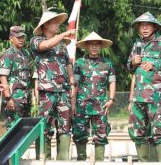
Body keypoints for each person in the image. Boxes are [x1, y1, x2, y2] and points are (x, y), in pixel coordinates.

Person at [127, 12, 161, 162]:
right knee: (137, 132)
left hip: (157, 97)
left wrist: (154, 64)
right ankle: (145, 162)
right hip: (138, 96)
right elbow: (130, 69)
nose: (144, 28)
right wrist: (132, 62)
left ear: (154, 26)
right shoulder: (137, 44)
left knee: (160, 131)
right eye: (141, 25)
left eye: (147, 25)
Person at [30, 10, 76, 160]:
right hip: (47, 91)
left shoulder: (62, 46)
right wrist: (63, 35)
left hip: (63, 91)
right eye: (55, 22)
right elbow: (45, 46)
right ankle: (43, 159)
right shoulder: (36, 40)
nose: (58, 25)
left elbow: (68, 64)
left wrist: (72, 82)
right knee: (44, 127)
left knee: (65, 126)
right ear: (46, 25)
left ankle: (64, 160)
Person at [72, 32, 116, 161]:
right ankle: (81, 161)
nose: (94, 47)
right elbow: (74, 84)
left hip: (100, 105)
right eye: (91, 44)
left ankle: (100, 161)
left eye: (97, 45)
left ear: (101, 46)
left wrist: (111, 99)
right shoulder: (79, 63)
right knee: (80, 135)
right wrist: (73, 103)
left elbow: (112, 82)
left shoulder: (107, 63)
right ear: (87, 46)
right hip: (82, 104)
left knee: (101, 135)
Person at [0, 26, 32, 130]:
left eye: (23, 37)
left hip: (26, 97)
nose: (21, 39)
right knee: (13, 128)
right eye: (18, 37)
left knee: (25, 128)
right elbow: (3, 77)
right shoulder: (8, 54)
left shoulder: (26, 53)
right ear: (11, 38)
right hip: (14, 97)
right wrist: (8, 98)